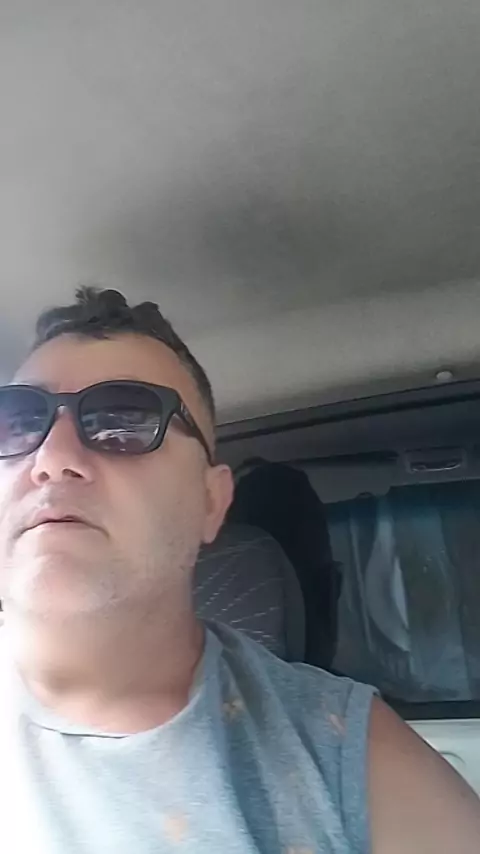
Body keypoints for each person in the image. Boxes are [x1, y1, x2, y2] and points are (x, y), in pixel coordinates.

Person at [0, 287, 478, 854]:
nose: (51, 459)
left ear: (211, 502)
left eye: (123, 423)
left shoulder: (348, 759)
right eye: (18, 422)